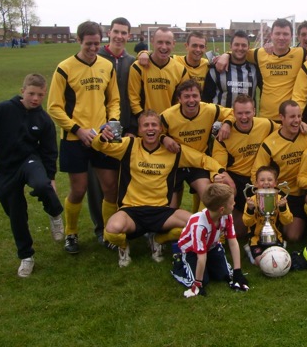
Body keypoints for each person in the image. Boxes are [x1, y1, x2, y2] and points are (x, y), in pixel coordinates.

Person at [92, 110, 225, 268]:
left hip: (161, 211)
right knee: (112, 231)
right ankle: (123, 246)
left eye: (154, 125)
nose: (150, 128)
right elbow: (98, 145)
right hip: (132, 210)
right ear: (140, 130)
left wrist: (219, 172)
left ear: (161, 129)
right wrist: (102, 136)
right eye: (146, 125)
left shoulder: (173, 151)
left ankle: (158, 240)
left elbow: (202, 159)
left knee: (196, 225)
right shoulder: (129, 145)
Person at [0, 73, 64, 277]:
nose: (35, 99)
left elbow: (49, 151)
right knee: (16, 214)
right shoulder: (3, 110)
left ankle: (55, 213)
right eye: (31, 93)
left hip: (29, 162)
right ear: (23, 91)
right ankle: (26, 256)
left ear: (44, 94)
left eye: (40, 94)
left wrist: (52, 177)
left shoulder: (44, 120)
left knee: (42, 185)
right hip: (6, 169)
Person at [47, 21, 120, 254]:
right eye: (88, 44)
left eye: (97, 44)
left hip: (102, 138)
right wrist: (77, 129)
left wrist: (111, 123)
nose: (92, 48)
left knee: (110, 187)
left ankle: (109, 233)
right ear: (79, 41)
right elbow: (54, 107)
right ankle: (71, 233)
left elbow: (114, 101)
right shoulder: (64, 68)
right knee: (78, 189)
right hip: (74, 139)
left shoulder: (107, 66)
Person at [213, 18, 307, 120]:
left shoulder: (300, 53)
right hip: (266, 118)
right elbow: (240, 51)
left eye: (285, 34)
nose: (281, 38)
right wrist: (226, 55)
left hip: (289, 118)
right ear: (271, 35)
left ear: (291, 36)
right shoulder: (259, 54)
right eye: (277, 34)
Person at [87, 17, 136, 249]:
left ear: (129, 35)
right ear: (109, 32)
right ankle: (101, 228)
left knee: (123, 182)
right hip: (97, 132)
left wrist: (132, 128)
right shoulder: (96, 58)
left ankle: (122, 226)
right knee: (99, 184)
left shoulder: (133, 61)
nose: (119, 36)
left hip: (125, 130)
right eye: (116, 31)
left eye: (124, 33)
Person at [252, 100, 307, 241]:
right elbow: (256, 174)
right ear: (281, 118)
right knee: (293, 236)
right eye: (292, 117)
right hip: (288, 195)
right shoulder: (269, 144)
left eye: (299, 116)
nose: (296, 121)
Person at [161, 80, 234, 208]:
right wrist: (164, 138)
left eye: (195, 96)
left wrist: (227, 124)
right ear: (179, 99)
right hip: (175, 162)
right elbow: (153, 133)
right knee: (169, 209)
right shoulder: (168, 115)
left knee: (208, 195)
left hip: (199, 162)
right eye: (186, 96)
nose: (191, 100)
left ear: (200, 97)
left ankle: (201, 225)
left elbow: (232, 112)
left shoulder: (210, 109)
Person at [212, 94, 276, 236]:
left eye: (248, 112)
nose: (244, 117)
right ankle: (221, 228)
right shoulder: (224, 135)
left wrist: (300, 123)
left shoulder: (266, 124)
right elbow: (218, 166)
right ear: (233, 113)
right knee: (224, 185)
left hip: (259, 178)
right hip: (237, 179)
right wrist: (227, 179)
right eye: (239, 113)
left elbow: (285, 131)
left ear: (254, 111)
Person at [171, 183, 250, 298]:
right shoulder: (199, 225)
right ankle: (179, 264)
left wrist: (237, 271)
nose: (235, 204)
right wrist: (197, 283)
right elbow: (201, 257)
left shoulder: (227, 215)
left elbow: (233, 242)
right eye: (232, 202)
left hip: (211, 247)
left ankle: (209, 268)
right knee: (203, 281)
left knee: (224, 275)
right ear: (222, 209)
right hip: (192, 251)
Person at [128, 26, 188, 119]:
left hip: (170, 122)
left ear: (173, 44)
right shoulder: (138, 67)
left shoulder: (181, 70)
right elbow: (133, 99)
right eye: (160, 42)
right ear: (152, 42)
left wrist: (170, 119)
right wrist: (144, 120)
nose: (164, 47)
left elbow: (180, 101)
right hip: (145, 124)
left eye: (168, 43)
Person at [243, 166, 293, 265]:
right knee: (261, 262)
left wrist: (282, 208)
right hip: (256, 239)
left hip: (275, 237)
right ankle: (250, 250)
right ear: (256, 183)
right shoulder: (251, 201)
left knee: (280, 261)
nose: (266, 183)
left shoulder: (280, 199)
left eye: (270, 180)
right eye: (262, 180)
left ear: (275, 183)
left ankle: (281, 243)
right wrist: (250, 209)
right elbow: (246, 222)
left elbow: (287, 221)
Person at [202, 30, 258, 108]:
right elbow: (206, 99)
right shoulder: (216, 68)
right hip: (221, 119)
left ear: (249, 48)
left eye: (244, 45)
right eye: (236, 45)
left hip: (246, 119)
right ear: (230, 46)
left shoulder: (255, 69)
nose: (240, 48)